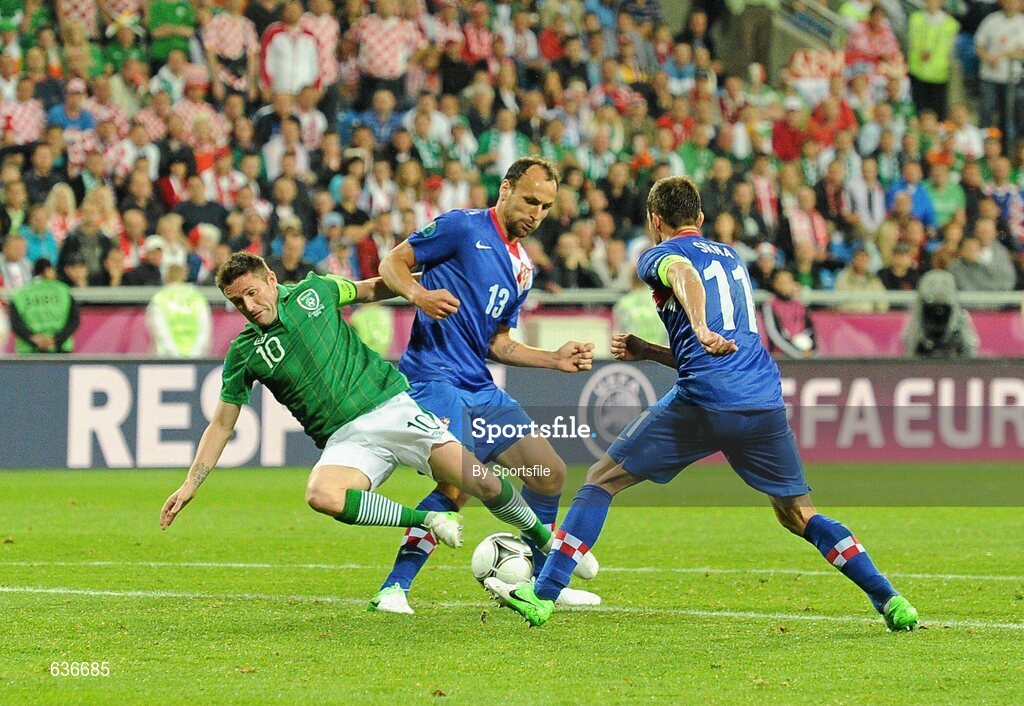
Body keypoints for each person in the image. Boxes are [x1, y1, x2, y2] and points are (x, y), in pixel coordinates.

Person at [484, 176, 919, 632]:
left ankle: (544, 593)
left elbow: (684, 277)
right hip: (762, 399)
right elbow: (711, 341)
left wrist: (700, 327)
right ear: (702, 218)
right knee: (798, 514)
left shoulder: (657, 254)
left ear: (656, 221)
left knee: (600, 480)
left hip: (706, 398)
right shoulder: (733, 258)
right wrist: (650, 350)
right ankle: (890, 600)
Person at [160, 253, 598, 596]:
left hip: (391, 408)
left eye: (253, 293)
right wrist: (191, 483)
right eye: (237, 302)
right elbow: (221, 424)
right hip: (345, 438)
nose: (249, 306)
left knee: (477, 483)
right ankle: (425, 522)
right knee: (322, 494)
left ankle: (546, 540)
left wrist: (417, 285)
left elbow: (370, 288)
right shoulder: (243, 353)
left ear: (272, 280)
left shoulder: (316, 292)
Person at [371, 157, 599, 614]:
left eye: (546, 207)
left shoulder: (523, 268)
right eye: (530, 200)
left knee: (548, 473)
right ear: (506, 189)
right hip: (432, 377)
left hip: (478, 383)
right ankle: (394, 588)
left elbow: (498, 343)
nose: (536, 213)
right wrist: (418, 295)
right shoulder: (460, 228)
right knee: (458, 485)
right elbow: (392, 261)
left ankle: (539, 580)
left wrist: (553, 359)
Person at [9, 258, 80, 354]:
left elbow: (15, 323)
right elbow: (74, 320)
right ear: (47, 270)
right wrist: (55, 340)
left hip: (29, 352)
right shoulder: (63, 290)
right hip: (60, 350)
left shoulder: (20, 294)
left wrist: (33, 338)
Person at [904, 269, 978, 357]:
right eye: (930, 309)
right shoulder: (918, 319)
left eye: (944, 309)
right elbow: (910, 347)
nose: (938, 314)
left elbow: (969, 349)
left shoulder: (959, 319)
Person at [146, 263, 213, 357]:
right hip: (196, 357)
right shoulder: (197, 297)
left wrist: (174, 354)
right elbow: (204, 328)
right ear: (184, 275)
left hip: (166, 359)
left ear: (166, 276)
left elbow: (159, 330)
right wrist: (195, 353)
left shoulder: (160, 298)